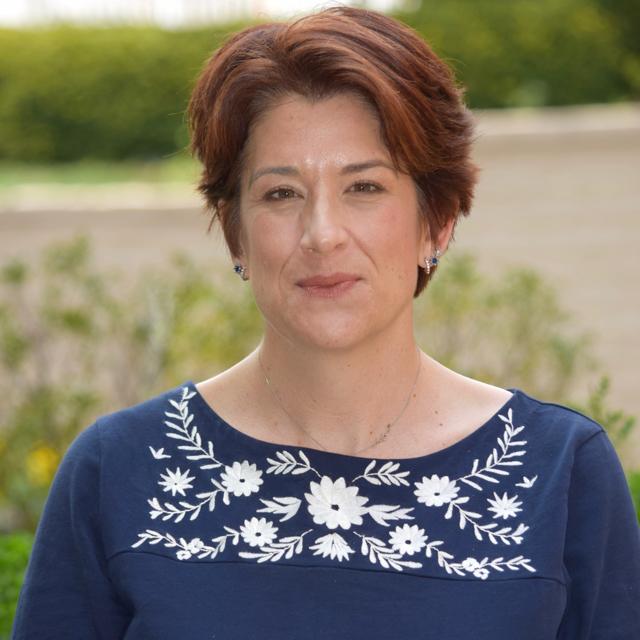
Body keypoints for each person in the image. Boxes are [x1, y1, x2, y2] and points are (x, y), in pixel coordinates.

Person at [11, 6, 639, 639]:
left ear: (437, 220)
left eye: (364, 187)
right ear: (235, 234)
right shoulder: (119, 469)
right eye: (280, 194)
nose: (322, 235)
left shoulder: (559, 472)